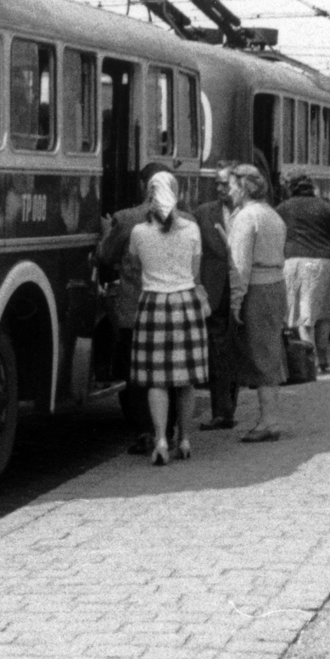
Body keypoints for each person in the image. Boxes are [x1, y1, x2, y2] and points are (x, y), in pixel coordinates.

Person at [125, 172, 208, 465]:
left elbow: (134, 267)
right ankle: (184, 440)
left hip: (153, 304)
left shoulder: (138, 232)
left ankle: (160, 439)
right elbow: (196, 274)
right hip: (186, 302)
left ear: (149, 195)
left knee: (157, 381)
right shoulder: (192, 229)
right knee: (186, 382)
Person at [96, 161, 176, 453]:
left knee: (138, 375)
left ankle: (145, 433)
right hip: (173, 308)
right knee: (170, 371)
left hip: (136, 309)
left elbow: (105, 255)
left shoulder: (127, 219)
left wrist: (108, 231)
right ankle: (171, 431)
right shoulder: (188, 220)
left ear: (144, 186)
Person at [226, 165, 288, 442]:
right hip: (276, 285)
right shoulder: (272, 215)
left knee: (261, 355)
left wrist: (236, 302)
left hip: (257, 289)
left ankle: (268, 422)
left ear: (243, 188)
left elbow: (240, 265)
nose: (228, 192)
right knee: (270, 350)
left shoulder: (245, 218)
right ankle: (270, 418)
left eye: (231, 186)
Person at [277, 174, 330, 374]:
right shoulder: (325, 207)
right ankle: (323, 358)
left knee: (303, 313)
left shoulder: (284, 208)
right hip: (326, 262)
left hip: (297, 261)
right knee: (324, 313)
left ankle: (311, 358)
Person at [193, 166, 238, 430]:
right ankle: (223, 411)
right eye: (217, 184)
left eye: (225, 184)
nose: (219, 189)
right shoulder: (204, 213)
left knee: (237, 349)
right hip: (215, 291)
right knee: (217, 350)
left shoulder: (251, 212)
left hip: (244, 288)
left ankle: (229, 408)